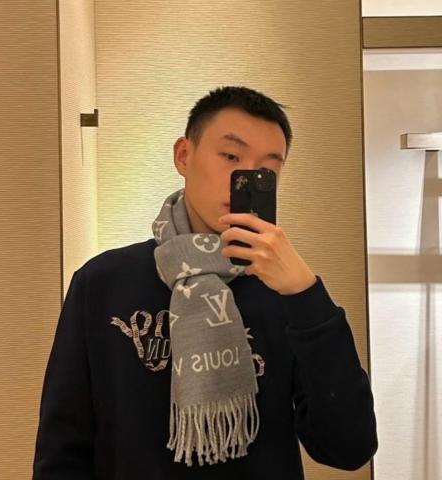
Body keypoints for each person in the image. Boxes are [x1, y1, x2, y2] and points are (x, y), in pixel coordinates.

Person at [32, 85, 378, 479]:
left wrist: (306, 294)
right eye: (231, 156)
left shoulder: (287, 291)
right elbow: (62, 450)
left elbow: (348, 447)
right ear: (184, 155)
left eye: (266, 168)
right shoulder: (103, 282)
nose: (244, 178)